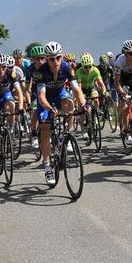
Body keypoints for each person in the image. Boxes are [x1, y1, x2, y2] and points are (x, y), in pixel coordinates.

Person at [36, 42, 87, 185]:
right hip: (45, 99)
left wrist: (83, 104)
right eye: (51, 59)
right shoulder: (42, 71)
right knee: (46, 130)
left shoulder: (66, 67)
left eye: (58, 57)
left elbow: (76, 89)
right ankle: (47, 166)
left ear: (61, 57)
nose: (55, 61)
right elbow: (41, 96)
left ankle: (67, 132)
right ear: (47, 59)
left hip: (59, 94)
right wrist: (48, 108)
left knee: (69, 104)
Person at [75, 53, 108, 143]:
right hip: (82, 89)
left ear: (92, 65)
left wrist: (104, 92)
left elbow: (101, 83)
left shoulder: (95, 70)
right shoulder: (79, 72)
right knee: (83, 108)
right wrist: (82, 99)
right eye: (85, 67)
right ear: (82, 66)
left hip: (91, 87)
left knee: (96, 98)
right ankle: (84, 130)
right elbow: (79, 86)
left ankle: (95, 113)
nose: (87, 69)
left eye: (89, 66)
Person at [25, 44, 46, 149]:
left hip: (46, 91)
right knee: (35, 112)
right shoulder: (30, 69)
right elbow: (27, 89)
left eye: (42, 58)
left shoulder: (48, 66)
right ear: (33, 59)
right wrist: (29, 102)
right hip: (34, 92)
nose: (40, 61)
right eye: (37, 58)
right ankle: (34, 135)